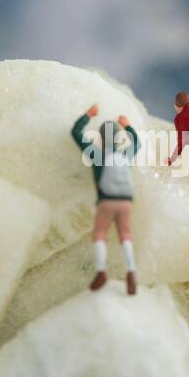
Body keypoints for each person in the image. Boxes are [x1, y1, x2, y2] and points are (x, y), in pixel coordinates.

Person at [72, 104, 140, 295]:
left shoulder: (96, 153)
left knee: (100, 235)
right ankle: (131, 272)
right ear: (118, 139)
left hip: (107, 201)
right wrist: (127, 126)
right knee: (125, 236)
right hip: (126, 201)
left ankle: (101, 271)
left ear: (101, 138)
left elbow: (75, 132)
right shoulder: (126, 153)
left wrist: (88, 115)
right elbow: (137, 143)